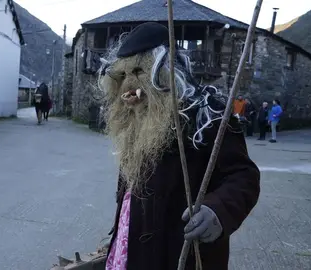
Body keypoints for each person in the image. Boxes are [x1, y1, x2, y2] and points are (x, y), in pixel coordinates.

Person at [98, 22, 260, 270]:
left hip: (180, 253)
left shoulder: (207, 115)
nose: (128, 85)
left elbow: (243, 176)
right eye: (121, 76)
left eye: (139, 71)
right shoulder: (133, 119)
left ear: (164, 72)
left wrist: (217, 210)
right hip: (131, 245)